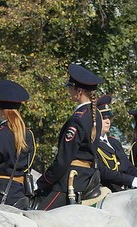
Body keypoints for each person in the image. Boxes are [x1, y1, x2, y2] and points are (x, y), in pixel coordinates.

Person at [34, 64, 104, 210]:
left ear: (79, 92)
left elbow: (62, 161)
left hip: (71, 180)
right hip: (87, 176)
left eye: (70, 87)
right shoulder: (96, 114)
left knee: (37, 219)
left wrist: (43, 181)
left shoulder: (77, 119)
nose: (68, 91)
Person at [94, 95, 137, 192]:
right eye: (104, 118)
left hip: (122, 190)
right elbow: (102, 171)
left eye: (109, 118)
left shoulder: (114, 142)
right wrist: (130, 180)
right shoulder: (92, 143)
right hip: (105, 190)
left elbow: (128, 167)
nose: (108, 121)